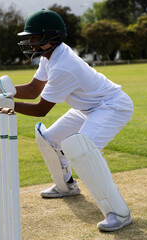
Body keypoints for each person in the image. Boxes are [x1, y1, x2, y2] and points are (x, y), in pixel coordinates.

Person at [10, 9, 134, 232]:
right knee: (48, 139)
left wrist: (4, 103)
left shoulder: (64, 65)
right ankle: (66, 186)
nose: (31, 43)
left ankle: (119, 213)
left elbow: (40, 110)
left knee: (83, 152)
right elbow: (32, 89)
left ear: (52, 37)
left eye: (35, 38)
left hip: (111, 106)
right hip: (87, 108)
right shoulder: (50, 57)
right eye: (30, 38)